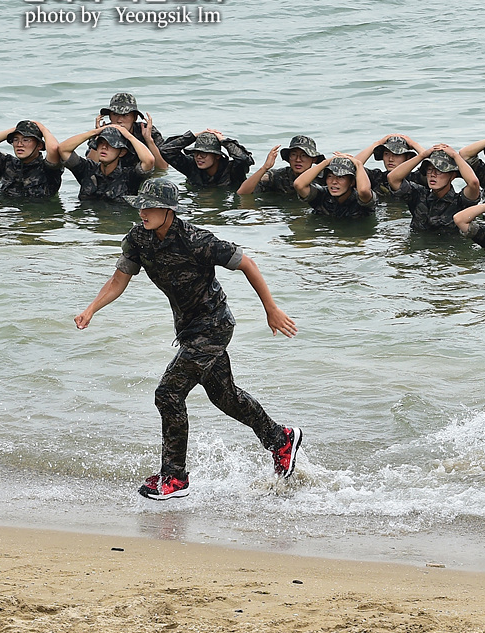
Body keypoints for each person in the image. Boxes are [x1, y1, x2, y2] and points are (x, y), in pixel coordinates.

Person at [73, 177, 303, 500]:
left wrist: (271, 309)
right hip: (189, 331)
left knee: (168, 393)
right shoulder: (139, 239)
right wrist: (91, 309)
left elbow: (246, 263)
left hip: (214, 325)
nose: (143, 212)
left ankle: (175, 477)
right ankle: (281, 439)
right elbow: (118, 278)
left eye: (151, 207)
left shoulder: (196, 240)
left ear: (169, 211)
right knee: (226, 398)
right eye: (141, 205)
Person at [387, 144, 480, 234]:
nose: (433, 174)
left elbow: (474, 183)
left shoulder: (460, 202)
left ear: (452, 176)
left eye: (439, 170)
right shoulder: (419, 195)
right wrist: (423, 155)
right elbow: (393, 178)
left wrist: (455, 156)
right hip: (419, 248)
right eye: (429, 169)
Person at [57, 124, 155, 202]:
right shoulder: (87, 170)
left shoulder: (129, 176)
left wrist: (129, 136)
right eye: (101, 143)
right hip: (90, 223)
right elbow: (63, 149)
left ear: (122, 152)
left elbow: (149, 161)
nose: (104, 147)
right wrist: (94, 132)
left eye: (111, 144)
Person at [0, 120, 63, 199]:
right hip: (9, 213)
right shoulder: (7, 163)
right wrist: (16, 129)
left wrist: (43, 129)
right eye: (15, 139)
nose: (19, 144)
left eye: (26, 140)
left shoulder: (47, 168)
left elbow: (54, 148)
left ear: (39, 145)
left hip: (37, 214)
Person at [160, 129, 254, 189]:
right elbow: (166, 150)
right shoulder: (191, 166)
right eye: (196, 152)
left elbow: (244, 159)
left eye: (204, 153)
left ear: (217, 156)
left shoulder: (232, 170)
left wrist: (224, 141)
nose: (199, 157)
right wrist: (194, 136)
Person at [95, 93, 166, 171]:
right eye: (115, 114)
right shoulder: (104, 132)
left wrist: (149, 140)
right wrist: (97, 135)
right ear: (110, 116)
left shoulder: (146, 131)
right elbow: (91, 168)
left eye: (125, 115)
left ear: (135, 117)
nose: (119, 120)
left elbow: (163, 168)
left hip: (140, 174)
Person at [237, 135, 325, 196]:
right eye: (294, 155)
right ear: (288, 157)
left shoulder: (322, 178)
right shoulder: (276, 176)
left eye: (304, 155)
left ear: (314, 159)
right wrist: (265, 167)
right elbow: (242, 192)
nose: (298, 160)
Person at [293, 153, 375, 218]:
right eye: (330, 176)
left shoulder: (359, 198)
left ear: (352, 182)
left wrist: (358, 164)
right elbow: (299, 185)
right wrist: (326, 162)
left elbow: (364, 190)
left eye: (340, 177)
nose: (334, 181)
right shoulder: (321, 195)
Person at [358, 134, 421, 200]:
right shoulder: (377, 177)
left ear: (408, 157)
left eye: (396, 154)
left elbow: (431, 164)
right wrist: (377, 144)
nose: (390, 159)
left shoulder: (416, 178)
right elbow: (353, 166)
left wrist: (414, 145)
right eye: (386, 154)